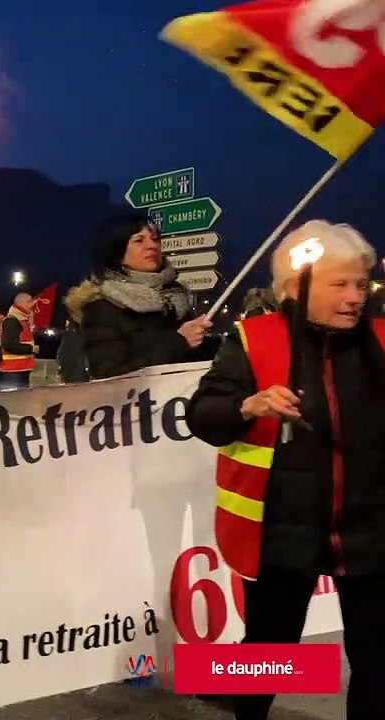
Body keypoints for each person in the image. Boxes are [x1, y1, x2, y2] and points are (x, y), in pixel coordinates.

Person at [186, 220, 385, 720]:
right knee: (269, 656)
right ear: (298, 287)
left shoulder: (380, 338)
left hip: (372, 531)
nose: (355, 296)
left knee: (377, 662)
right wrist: (248, 406)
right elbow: (204, 416)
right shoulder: (253, 340)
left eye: (361, 283)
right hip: (281, 533)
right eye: (339, 283)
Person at [63, 215, 211, 379]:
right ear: (118, 252)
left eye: (155, 239)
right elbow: (110, 377)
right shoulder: (103, 307)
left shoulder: (176, 300)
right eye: (139, 241)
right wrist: (179, 341)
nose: (151, 246)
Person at [0, 293, 38, 389]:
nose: (32, 304)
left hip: (20, 370)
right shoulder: (12, 321)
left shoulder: (21, 321)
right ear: (19, 303)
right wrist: (31, 349)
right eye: (29, 302)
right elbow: (8, 345)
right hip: (13, 372)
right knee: (13, 402)